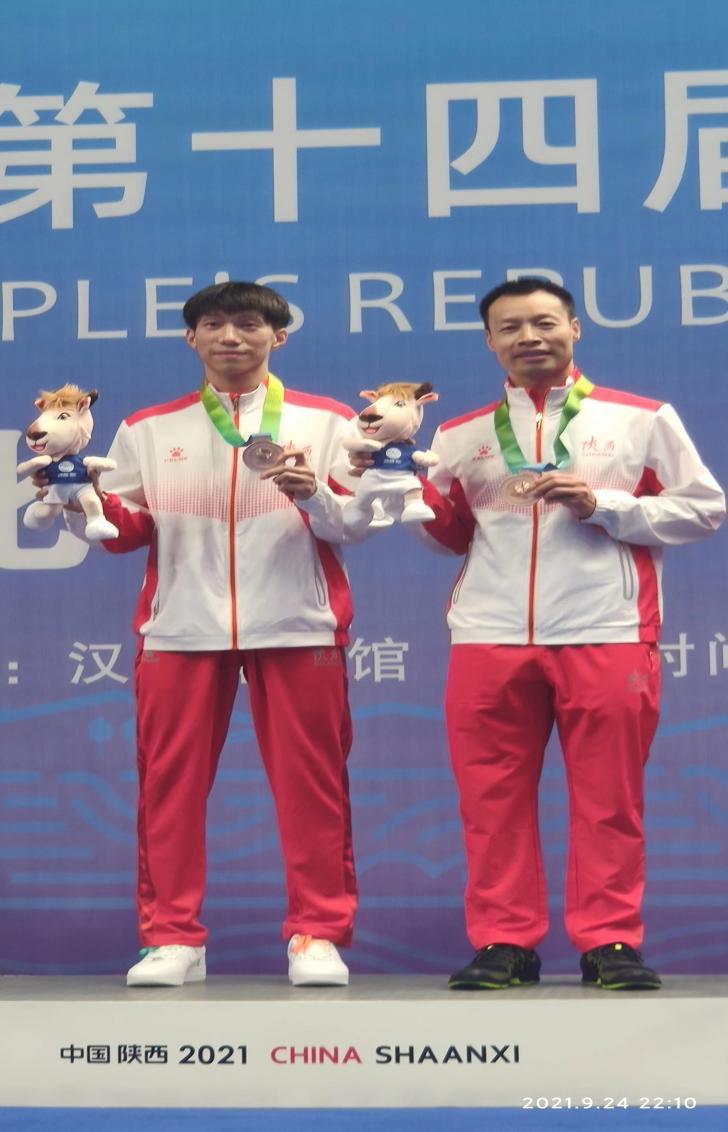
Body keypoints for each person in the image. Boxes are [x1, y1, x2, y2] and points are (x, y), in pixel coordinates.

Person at [416, 278, 725, 991]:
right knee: (490, 802)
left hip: (606, 629)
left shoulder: (641, 419)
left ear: (574, 328)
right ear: (489, 341)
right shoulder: (459, 434)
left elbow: (704, 508)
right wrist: (402, 489)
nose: (529, 337)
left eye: (544, 322)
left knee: (608, 800)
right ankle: (504, 941)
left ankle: (610, 940)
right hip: (489, 636)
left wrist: (605, 504)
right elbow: (452, 535)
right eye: (510, 327)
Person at [64, 281, 370, 988]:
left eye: (248, 324)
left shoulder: (329, 421)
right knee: (168, 788)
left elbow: (356, 524)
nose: (231, 337)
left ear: (278, 337)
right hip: (180, 628)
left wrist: (314, 495)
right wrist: (78, 500)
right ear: (192, 338)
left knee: (314, 787)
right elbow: (125, 531)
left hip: (298, 624)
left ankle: (317, 933)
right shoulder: (149, 428)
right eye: (214, 325)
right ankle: (172, 937)